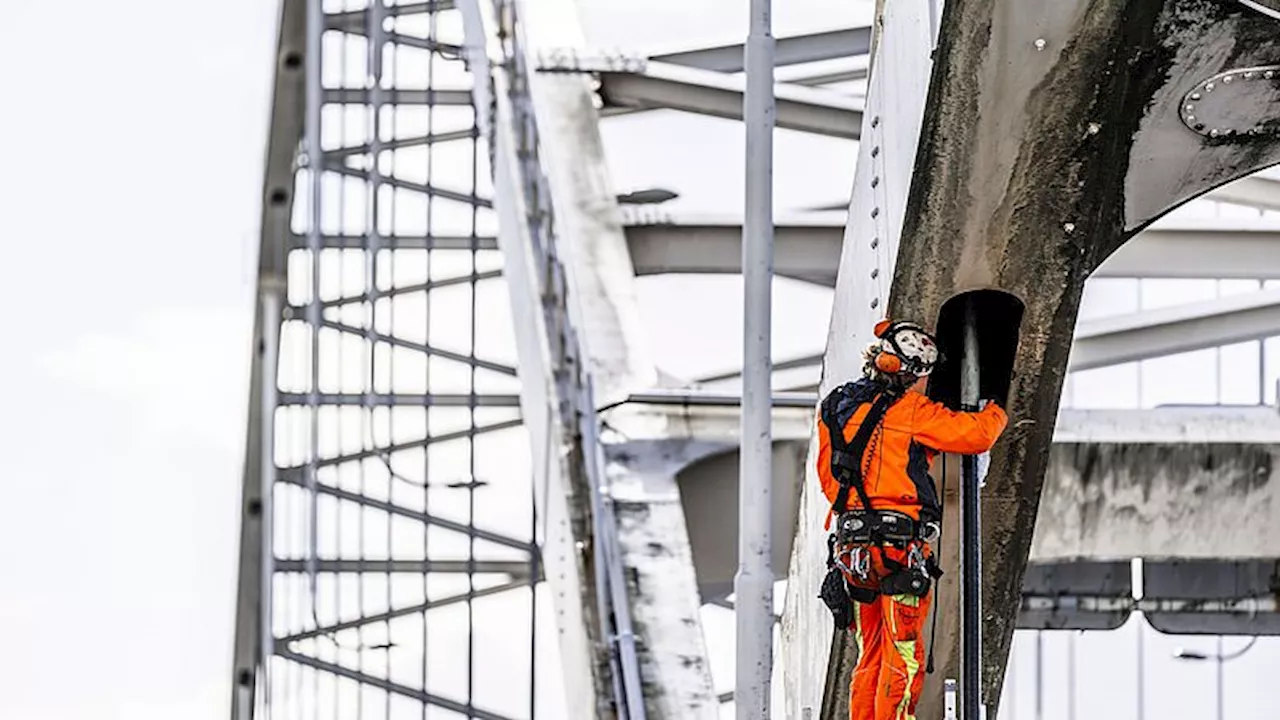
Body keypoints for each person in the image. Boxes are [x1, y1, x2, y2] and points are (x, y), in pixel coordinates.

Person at [815, 319, 1008, 720]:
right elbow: (974, 436)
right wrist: (996, 411)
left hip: (852, 554)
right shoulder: (911, 410)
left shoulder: (834, 406)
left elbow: (828, 479)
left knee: (869, 654)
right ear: (914, 372)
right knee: (903, 655)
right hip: (898, 552)